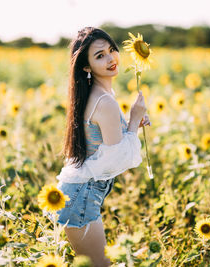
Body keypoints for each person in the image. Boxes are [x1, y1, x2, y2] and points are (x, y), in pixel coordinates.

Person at [55, 27, 151, 267]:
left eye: (111, 50)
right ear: (86, 67)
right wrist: (133, 119)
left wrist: (132, 125)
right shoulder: (104, 101)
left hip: (79, 195)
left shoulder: (96, 94)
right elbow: (117, 159)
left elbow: (102, 148)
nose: (111, 59)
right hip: (81, 198)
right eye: (99, 55)